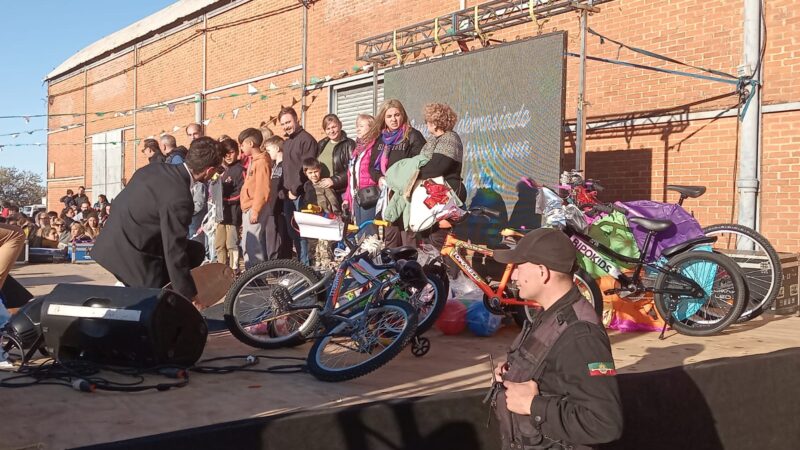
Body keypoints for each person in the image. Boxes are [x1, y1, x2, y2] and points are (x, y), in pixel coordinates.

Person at [491, 228, 623, 450]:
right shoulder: (551, 313)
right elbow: (550, 369)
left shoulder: (581, 336)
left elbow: (605, 423)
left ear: (543, 272)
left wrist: (533, 405)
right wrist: (513, 371)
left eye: (519, 267)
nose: (513, 276)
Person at [91, 137, 224, 305]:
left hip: (110, 241)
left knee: (195, 250)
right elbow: (174, 249)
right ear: (209, 170)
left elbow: (120, 203)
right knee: (182, 258)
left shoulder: (152, 169)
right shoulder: (180, 198)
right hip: (131, 254)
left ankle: (139, 288)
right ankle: (154, 299)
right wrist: (189, 296)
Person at [367, 99, 426, 248]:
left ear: (403, 115)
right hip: (387, 194)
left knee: (408, 237)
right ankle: (393, 270)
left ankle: (411, 269)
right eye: (389, 116)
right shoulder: (380, 139)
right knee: (391, 237)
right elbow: (372, 168)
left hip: (407, 194)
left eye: (397, 115)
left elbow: (420, 163)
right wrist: (379, 178)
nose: (393, 119)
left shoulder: (412, 135)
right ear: (384, 119)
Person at [415, 103, 466, 251]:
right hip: (432, 196)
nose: (426, 124)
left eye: (427, 121)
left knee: (439, 240)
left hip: (447, 195)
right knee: (426, 240)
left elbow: (436, 168)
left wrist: (415, 172)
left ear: (434, 122)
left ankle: (449, 273)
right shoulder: (432, 140)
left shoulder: (450, 138)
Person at [279, 106, 317, 265]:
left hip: (301, 195)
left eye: (288, 122)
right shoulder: (287, 143)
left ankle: (306, 269)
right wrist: (283, 190)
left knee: (303, 234)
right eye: (283, 124)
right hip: (288, 196)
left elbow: (307, 168)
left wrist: (295, 190)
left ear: (297, 119)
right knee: (293, 233)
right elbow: (286, 169)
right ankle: (301, 268)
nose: (286, 126)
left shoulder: (306, 140)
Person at [238, 128, 270, 269]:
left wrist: (256, 210)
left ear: (250, 143)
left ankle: (257, 274)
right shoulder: (254, 161)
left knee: (253, 243)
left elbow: (262, 188)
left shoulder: (262, 162)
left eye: (242, 144)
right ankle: (250, 271)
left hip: (254, 207)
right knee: (247, 241)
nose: (241, 148)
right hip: (248, 206)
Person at [342, 114, 379, 234]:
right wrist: (347, 198)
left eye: (361, 126)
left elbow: (378, 170)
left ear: (371, 127)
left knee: (368, 233)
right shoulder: (357, 150)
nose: (357, 129)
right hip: (356, 197)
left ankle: (370, 253)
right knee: (359, 233)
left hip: (369, 195)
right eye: (357, 126)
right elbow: (351, 176)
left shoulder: (375, 146)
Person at [302, 157, 341, 268]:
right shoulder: (306, 186)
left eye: (316, 172)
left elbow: (332, 200)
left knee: (325, 249)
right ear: (305, 173)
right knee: (313, 250)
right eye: (310, 173)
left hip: (325, 220)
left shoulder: (324, 185)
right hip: (311, 222)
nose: (314, 175)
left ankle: (327, 272)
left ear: (320, 170)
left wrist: (336, 213)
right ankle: (315, 272)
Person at [214, 138, 245, 270]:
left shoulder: (239, 170)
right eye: (225, 153)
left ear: (237, 152)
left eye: (231, 152)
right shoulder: (222, 171)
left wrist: (226, 200)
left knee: (231, 244)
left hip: (233, 214)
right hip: (221, 214)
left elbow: (241, 193)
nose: (228, 156)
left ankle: (233, 270)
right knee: (219, 244)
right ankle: (221, 269)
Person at [263, 136, 292, 260]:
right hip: (271, 207)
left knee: (284, 237)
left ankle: (284, 264)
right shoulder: (272, 166)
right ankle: (273, 263)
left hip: (282, 207)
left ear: (276, 148)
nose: (267, 154)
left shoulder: (286, 164)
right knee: (271, 238)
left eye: (269, 150)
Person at [316, 114, 355, 199]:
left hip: (341, 192)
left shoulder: (349, 144)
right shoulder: (321, 144)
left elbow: (353, 169)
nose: (331, 131)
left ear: (340, 125)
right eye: (328, 129)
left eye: (334, 127)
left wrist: (333, 180)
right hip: (324, 192)